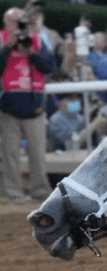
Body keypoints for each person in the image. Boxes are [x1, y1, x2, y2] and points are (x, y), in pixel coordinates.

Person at [0, 6, 56, 204]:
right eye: (14, 21)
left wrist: (31, 52)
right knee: (10, 154)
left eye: (21, 21)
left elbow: (50, 67)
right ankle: (14, 194)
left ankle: (40, 191)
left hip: (34, 105)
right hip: (7, 105)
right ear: (6, 22)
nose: (18, 25)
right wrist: (7, 47)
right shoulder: (1, 39)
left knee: (37, 153)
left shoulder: (37, 40)